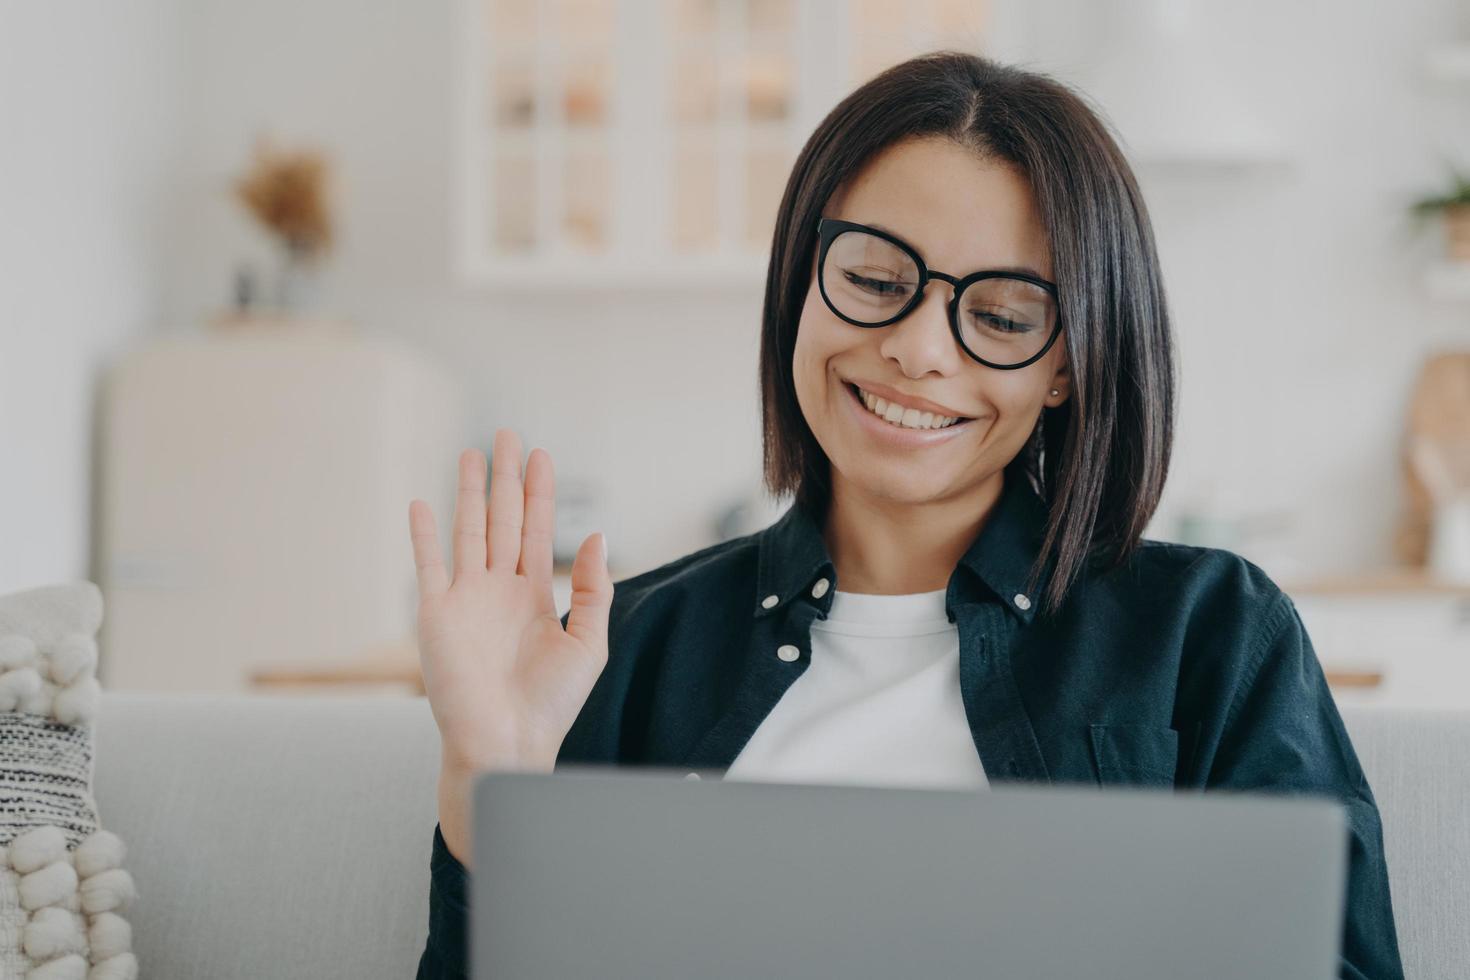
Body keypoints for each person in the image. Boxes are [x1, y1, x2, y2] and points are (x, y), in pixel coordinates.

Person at [408, 51, 1404, 980]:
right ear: (805, 276)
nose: (921, 349)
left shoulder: (1212, 632)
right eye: (877, 280)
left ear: (1068, 364)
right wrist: (488, 781)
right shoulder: (621, 648)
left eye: (1003, 317)